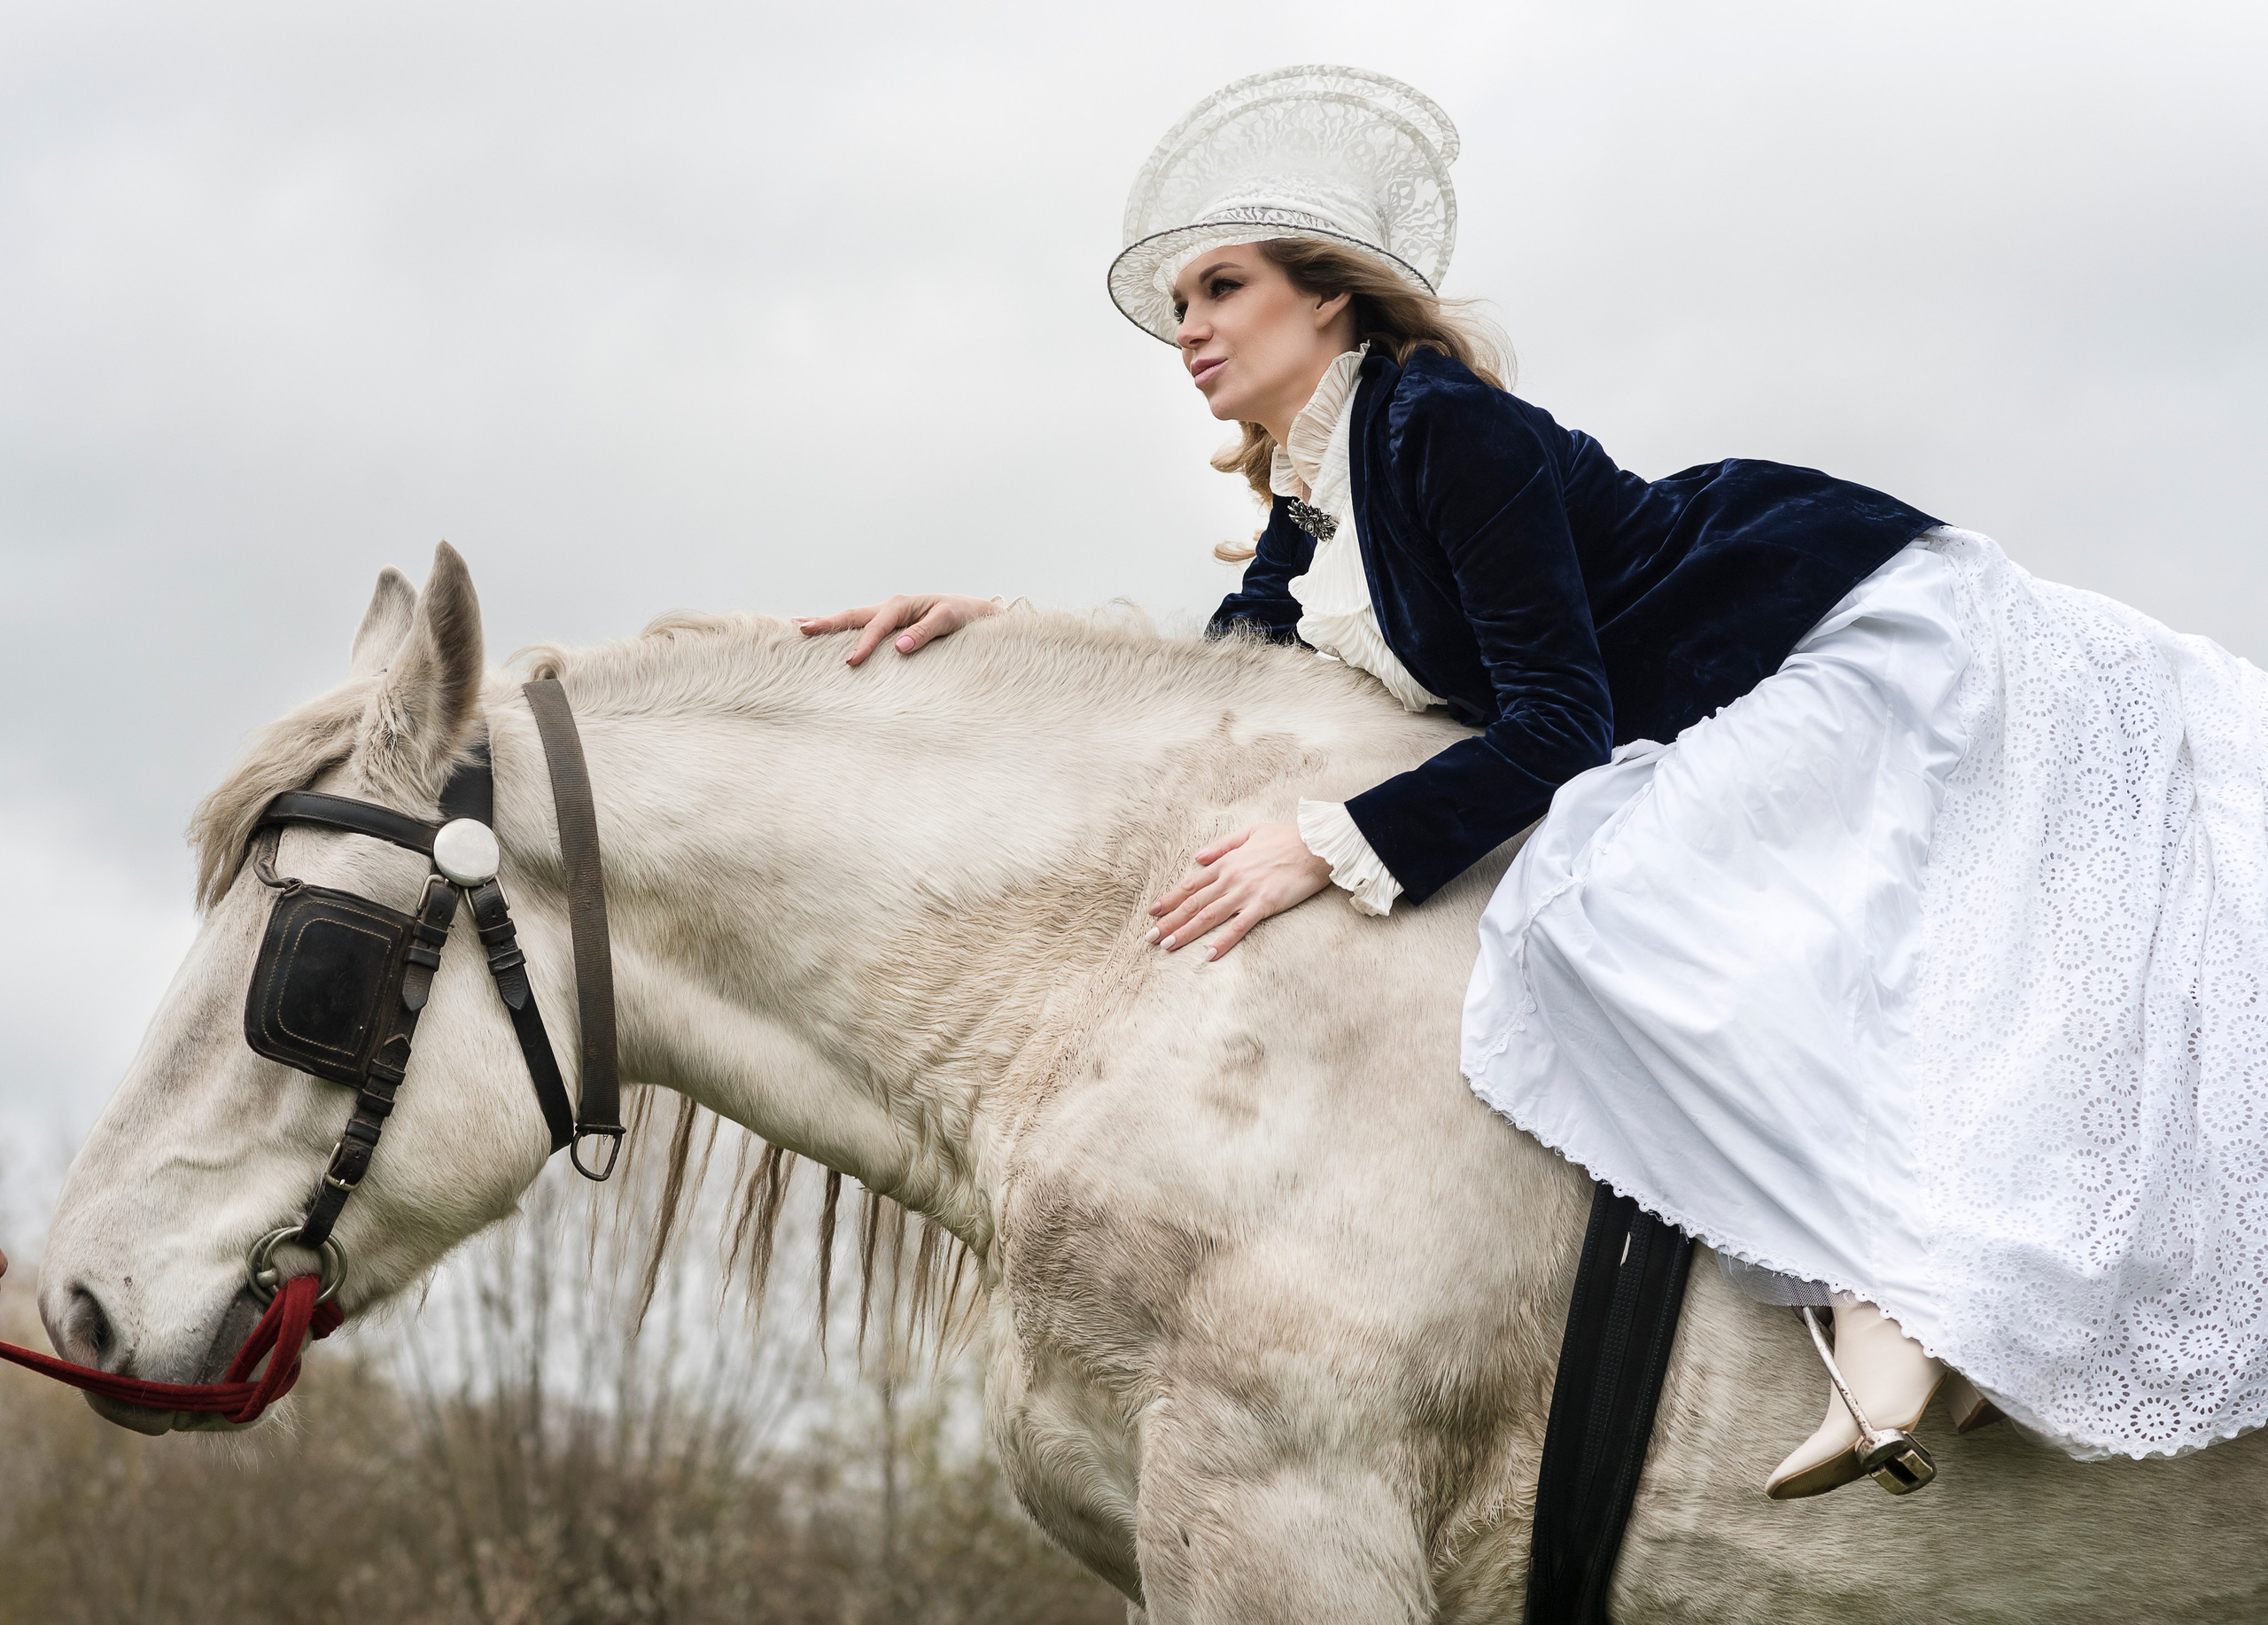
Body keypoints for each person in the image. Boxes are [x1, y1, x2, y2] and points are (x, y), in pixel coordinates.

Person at [799, 65, 2268, 1492]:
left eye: (1222, 287)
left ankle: (1912, 1289)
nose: (1189, 329)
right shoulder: (1312, 506)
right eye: (1179, 305)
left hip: (1790, 634)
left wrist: (1331, 844)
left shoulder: (1440, 424)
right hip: (1687, 693)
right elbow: (1222, 681)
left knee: (1602, 901)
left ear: (1329, 291)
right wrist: (998, 629)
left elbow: (1559, 721)